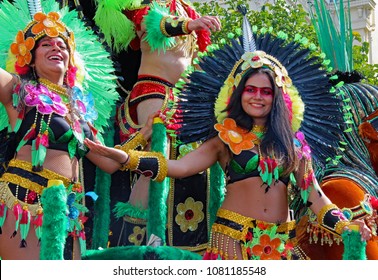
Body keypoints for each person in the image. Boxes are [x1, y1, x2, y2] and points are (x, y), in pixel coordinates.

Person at [84, 20, 373, 259]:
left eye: (266, 91)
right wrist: (125, 157)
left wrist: (347, 226)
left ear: (280, 98)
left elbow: (316, 198)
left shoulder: (295, 146)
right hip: (231, 243)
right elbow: (179, 167)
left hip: (280, 246)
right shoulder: (224, 139)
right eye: (250, 90)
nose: (257, 97)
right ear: (237, 94)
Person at [94, 0, 222, 251]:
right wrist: (190, 24)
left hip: (183, 98)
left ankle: (192, 240)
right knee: (156, 150)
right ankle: (136, 236)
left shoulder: (191, 12)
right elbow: (153, 25)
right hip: (153, 89)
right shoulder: (151, 8)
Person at [0, 0, 120, 260]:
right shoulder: (20, 91)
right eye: (46, 44)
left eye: (62, 45)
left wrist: (145, 135)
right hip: (25, 199)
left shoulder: (79, 111)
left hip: (68, 209)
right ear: (29, 58)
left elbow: (108, 163)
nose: (56, 47)